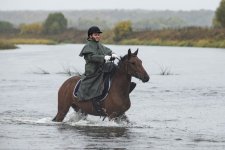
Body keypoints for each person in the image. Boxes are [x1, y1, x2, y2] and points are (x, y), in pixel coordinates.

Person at [76, 26, 136, 102]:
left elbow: (108, 51)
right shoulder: (87, 46)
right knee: (93, 82)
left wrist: (113, 54)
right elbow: (91, 57)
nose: (98, 36)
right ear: (90, 36)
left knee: (114, 67)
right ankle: (90, 97)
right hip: (93, 70)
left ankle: (123, 88)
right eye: (95, 35)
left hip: (102, 67)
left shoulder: (99, 45)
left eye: (98, 34)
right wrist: (104, 57)